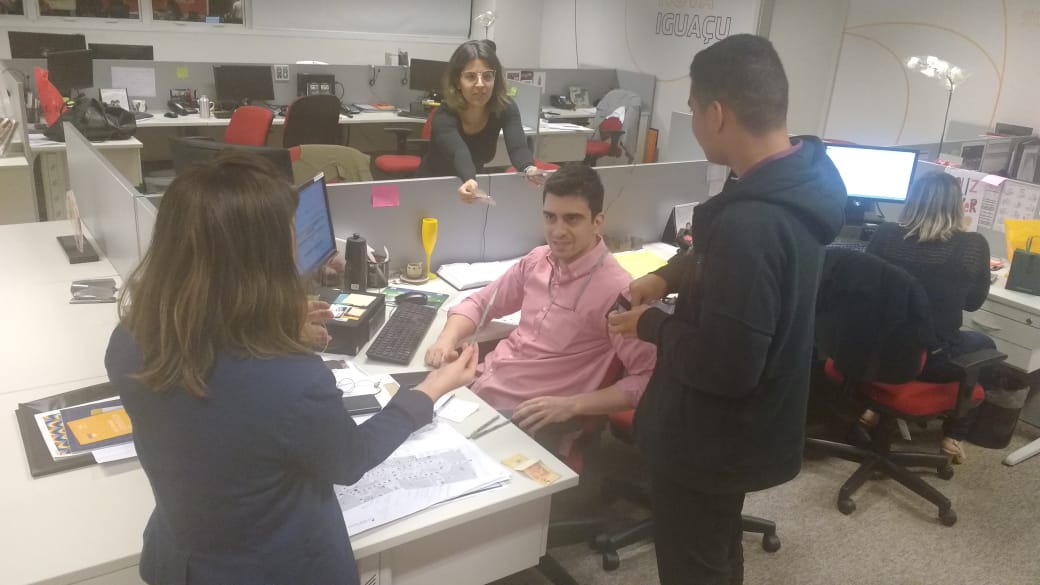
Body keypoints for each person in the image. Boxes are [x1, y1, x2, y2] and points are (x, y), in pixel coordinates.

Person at [104, 152, 478, 585]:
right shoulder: (291, 379)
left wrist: (271, 328)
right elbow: (348, 459)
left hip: (180, 563)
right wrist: (429, 391)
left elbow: (216, 403)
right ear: (260, 261)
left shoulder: (128, 341)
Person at [607, 34, 846, 585]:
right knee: (716, 548)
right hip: (751, 426)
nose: (693, 122)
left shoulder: (751, 222)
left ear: (717, 113)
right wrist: (667, 276)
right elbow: (729, 265)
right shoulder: (794, 183)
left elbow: (727, 366)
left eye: (693, 109)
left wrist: (651, 325)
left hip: (710, 438)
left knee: (695, 564)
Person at [425, 164, 656, 437]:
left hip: (525, 419)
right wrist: (446, 341)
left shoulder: (618, 292)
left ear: (597, 222)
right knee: (398, 413)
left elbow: (649, 379)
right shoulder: (538, 260)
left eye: (572, 219)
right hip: (478, 388)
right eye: (550, 217)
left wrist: (573, 405)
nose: (557, 231)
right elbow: (480, 303)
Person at [865, 171, 992, 463]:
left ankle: (873, 407)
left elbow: (866, 290)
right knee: (985, 346)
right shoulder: (972, 245)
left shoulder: (885, 234)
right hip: (927, 361)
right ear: (957, 205)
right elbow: (973, 304)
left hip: (871, 353)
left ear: (912, 201)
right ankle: (953, 435)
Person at [416, 39, 544, 203]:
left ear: (495, 79)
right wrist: (469, 179)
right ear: (457, 81)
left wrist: (529, 169)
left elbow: (518, 148)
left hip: (472, 186)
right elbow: (459, 152)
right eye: (470, 77)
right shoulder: (444, 114)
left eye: (487, 76)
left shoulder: (505, 108)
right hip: (433, 186)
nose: (480, 84)